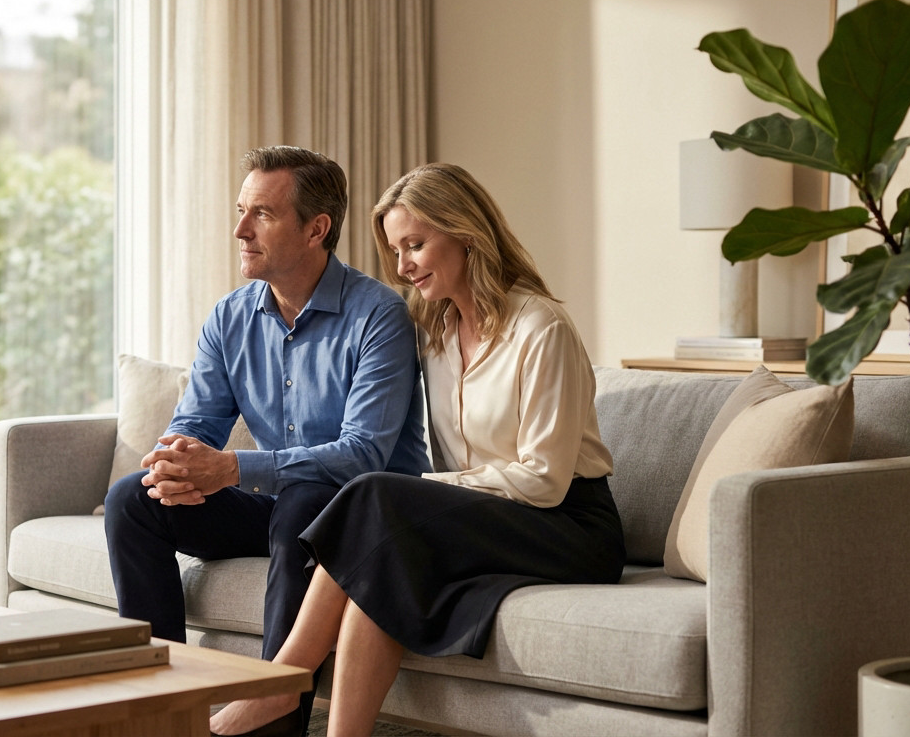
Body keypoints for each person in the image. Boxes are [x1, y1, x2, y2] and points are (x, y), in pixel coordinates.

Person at [209, 163, 625, 737]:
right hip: (488, 517)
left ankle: (281, 684)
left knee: (374, 493)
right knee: (374, 575)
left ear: (467, 235)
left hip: (568, 526)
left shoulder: (541, 328)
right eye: (395, 250)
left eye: (415, 245)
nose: (402, 267)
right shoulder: (436, 334)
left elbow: (545, 482)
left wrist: (425, 491)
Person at [103, 146, 431, 732]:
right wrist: (171, 462)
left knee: (305, 498)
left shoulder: (378, 316)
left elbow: (362, 456)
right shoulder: (230, 317)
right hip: (273, 508)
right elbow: (195, 423)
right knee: (135, 499)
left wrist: (230, 469)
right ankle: (162, 713)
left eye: (262, 214)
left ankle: (272, 715)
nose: (240, 230)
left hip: (355, 518)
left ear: (316, 229)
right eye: (240, 211)